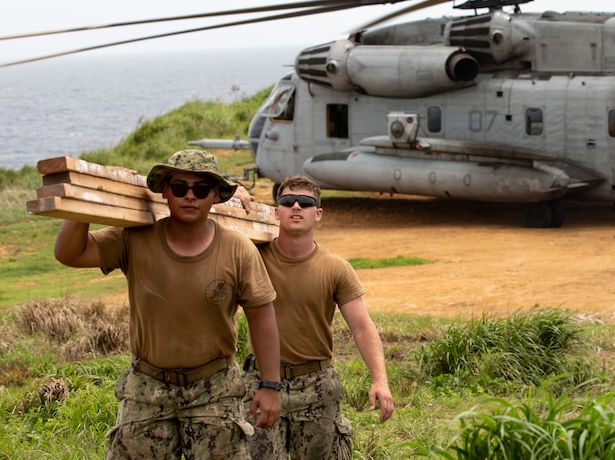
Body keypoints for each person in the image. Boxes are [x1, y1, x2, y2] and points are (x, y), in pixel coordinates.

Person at [53, 149, 282, 459]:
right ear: (164, 192)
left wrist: (270, 385)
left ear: (215, 195)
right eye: (179, 188)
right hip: (148, 389)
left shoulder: (237, 248)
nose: (190, 196)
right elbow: (70, 253)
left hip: (213, 389)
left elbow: (262, 316)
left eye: (200, 190)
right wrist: (89, 197)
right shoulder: (134, 238)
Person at [239, 175, 394, 460]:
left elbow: (362, 327)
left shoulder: (336, 268)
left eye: (306, 202)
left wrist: (380, 380)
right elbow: (212, 224)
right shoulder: (252, 258)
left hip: (316, 386)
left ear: (318, 213)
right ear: (276, 212)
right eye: (287, 201)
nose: (296, 206)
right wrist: (233, 194)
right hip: (262, 382)